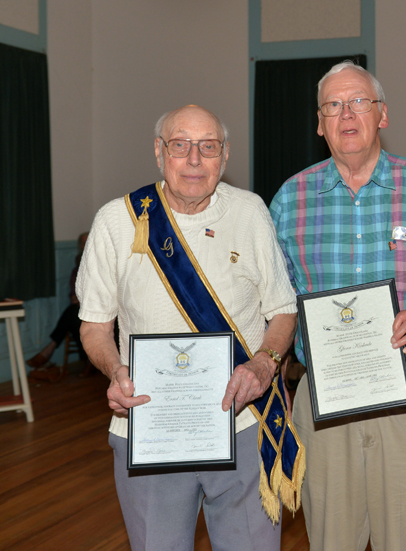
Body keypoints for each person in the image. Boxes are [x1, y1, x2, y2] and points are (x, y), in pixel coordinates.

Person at [270, 61, 406, 551]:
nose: (347, 113)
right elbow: (277, 304)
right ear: (319, 123)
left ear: (382, 114)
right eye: (333, 105)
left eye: (359, 101)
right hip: (324, 408)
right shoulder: (288, 200)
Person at [77, 105, 300, 551]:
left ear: (225, 154)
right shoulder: (117, 221)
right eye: (180, 145)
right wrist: (115, 371)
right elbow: (94, 327)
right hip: (151, 432)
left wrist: (264, 363)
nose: (194, 159)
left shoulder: (250, 211)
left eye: (208, 147)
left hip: (244, 424)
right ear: (159, 152)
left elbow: (284, 309)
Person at [27, 231, 90, 380]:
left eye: (88, 241)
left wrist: (84, 299)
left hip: (101, 307)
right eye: (82, 243)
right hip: (82, 307)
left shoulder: (104, 262)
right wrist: (79, 298)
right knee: (75, 316)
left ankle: (50, 348)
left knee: (73, 314)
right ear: (79, 246)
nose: (85, 245)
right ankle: (89, 361)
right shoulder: (79, 264)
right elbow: (74, 291)